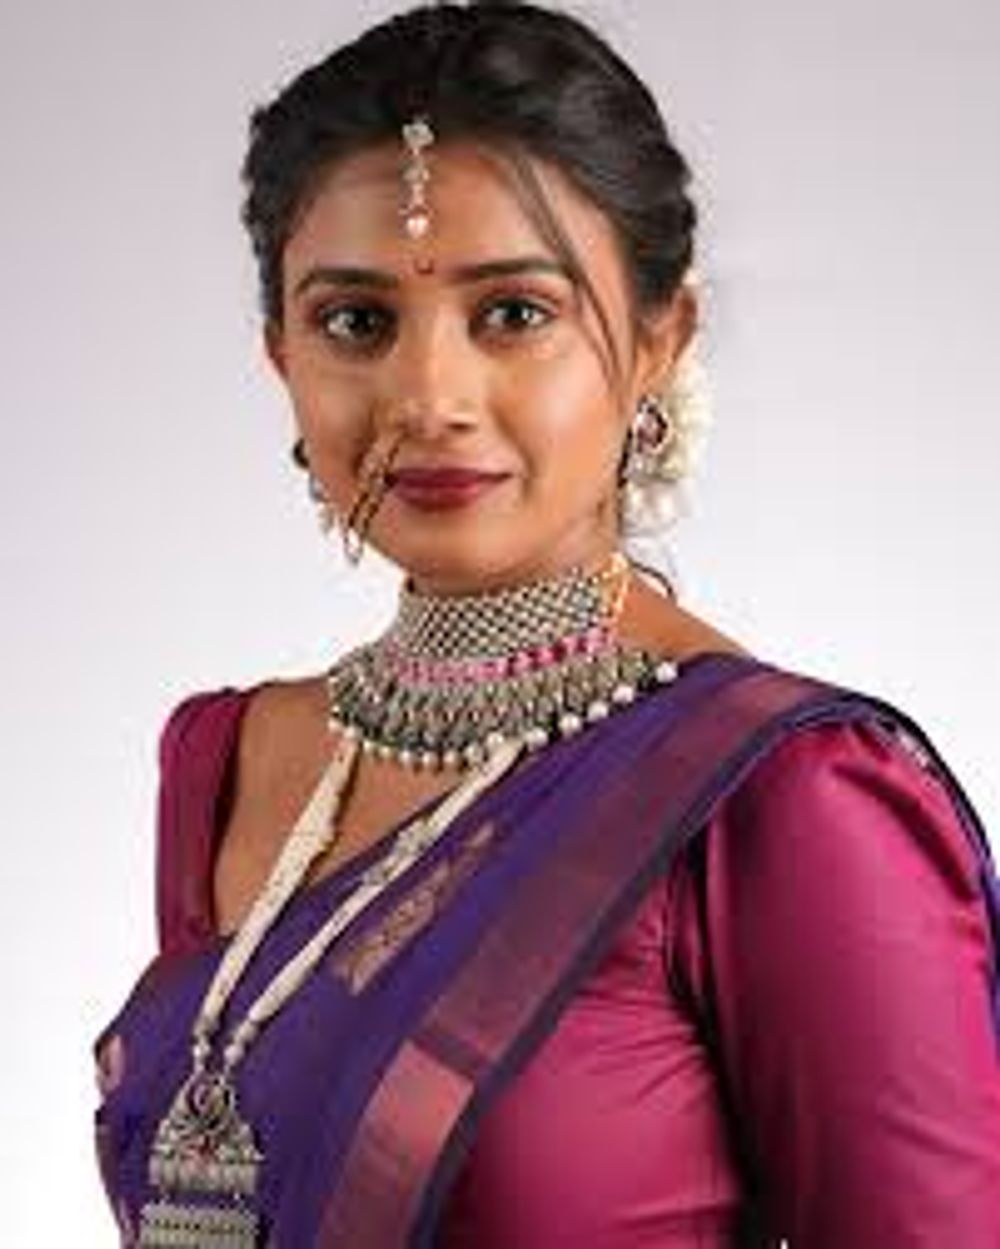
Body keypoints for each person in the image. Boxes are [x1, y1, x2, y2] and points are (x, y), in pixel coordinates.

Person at [92, 3, 1000, 1246]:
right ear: (281, 359)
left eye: (515, 313)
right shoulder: (227, 761)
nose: (429, 397)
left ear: (657, 341)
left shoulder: (775, 797)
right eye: (356, 322)